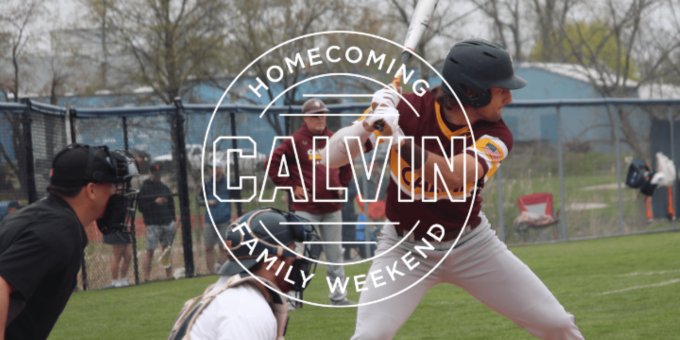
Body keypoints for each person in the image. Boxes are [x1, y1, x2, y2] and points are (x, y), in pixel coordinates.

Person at [323, 40, 584, 339]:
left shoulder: (497, 133)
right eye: (502, 90)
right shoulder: (407, 110)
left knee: (557, 325)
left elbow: (453, 177)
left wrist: (399, 140)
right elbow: (331, 158)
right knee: (371, 335)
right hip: (405, 249)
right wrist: (368, 123)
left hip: (472, 246)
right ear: (472, 92)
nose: (509, 98)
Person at [0, 143, 138, 340]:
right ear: (91, 190)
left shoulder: (41, 215)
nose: (116, 192)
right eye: (112, 185)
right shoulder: (60, 230)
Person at [168, 208, 320, 340]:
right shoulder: (246, 310)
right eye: (292, 253)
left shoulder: (233, 295)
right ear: (273, 262)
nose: (298, 259)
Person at [266, 98, 355, 307]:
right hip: (306, 209)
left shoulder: (335, 138)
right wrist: (290, 185)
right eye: (315, 115)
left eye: (322, 114)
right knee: (301, 255)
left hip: (332, 208)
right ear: (305, 118)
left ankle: (338, 298)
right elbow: (271, 163)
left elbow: (348, 161)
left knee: (335, 255)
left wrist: (343, 183)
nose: (320, 118)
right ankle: (293, 298)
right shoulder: (295, 141)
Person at [137, 162, 176, 281]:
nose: (157, 177)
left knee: (166, 251)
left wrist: (173, 220)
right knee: (150, 251)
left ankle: (169, 275)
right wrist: (155, 202)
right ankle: (146, 278)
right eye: (155, 174)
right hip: (153, 224)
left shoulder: (164, 187)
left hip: (167, 223)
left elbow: (171, 205)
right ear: (150, 173)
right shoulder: (144, 188)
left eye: (159, 175)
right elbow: (141, 207)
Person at [201, 160, 240, 273]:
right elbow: (199, 199)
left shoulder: (229, 183)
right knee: (208, 247)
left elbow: (238, 199)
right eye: (211, 168)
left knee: (223, 247)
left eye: (215, 168)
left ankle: (223, 271)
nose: (212, 170)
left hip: (224, 220)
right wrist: (207, 202)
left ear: (221, 169)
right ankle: (210, 272)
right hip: (210, 220)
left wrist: (240, 211)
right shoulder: (207, 184)